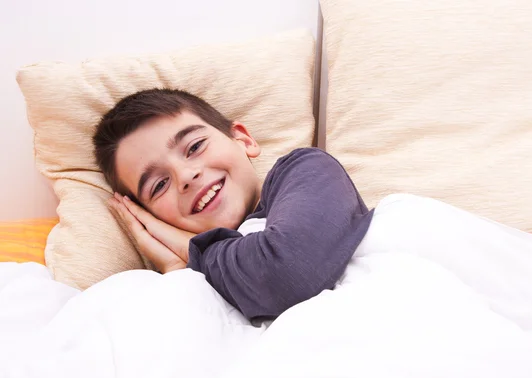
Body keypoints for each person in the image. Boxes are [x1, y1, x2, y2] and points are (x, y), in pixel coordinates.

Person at [93, 88, 374, 320]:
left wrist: (191, 249)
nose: (185, 177)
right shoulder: (173, 280)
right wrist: (176, 272)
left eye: (194, 147)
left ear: (243, 139)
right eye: (159, 185)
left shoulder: (305, 169)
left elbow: (288, 273)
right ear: (148, 218)